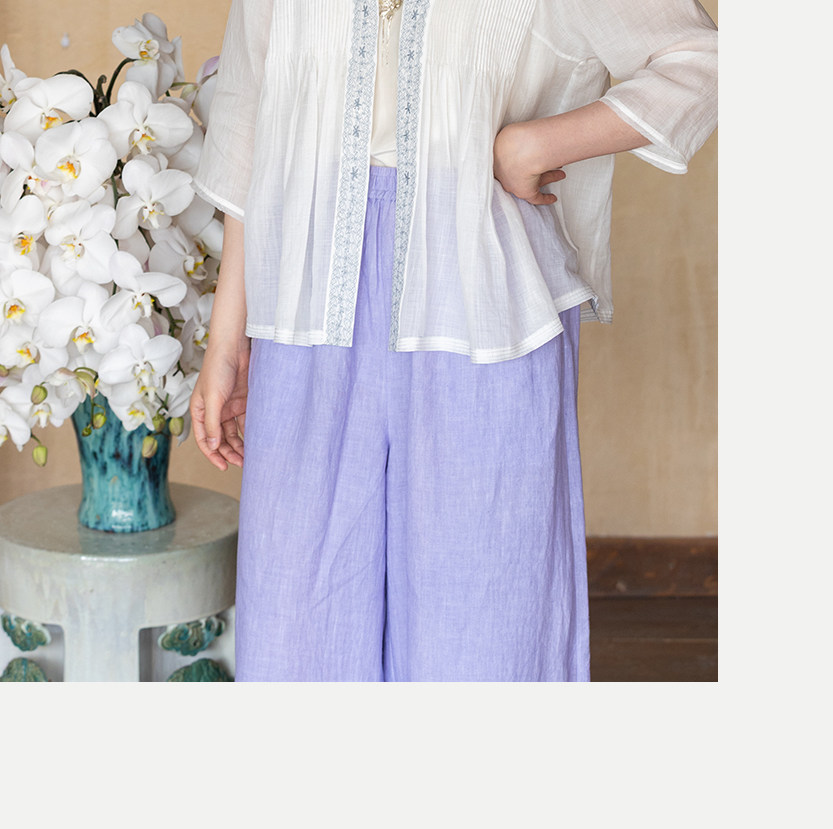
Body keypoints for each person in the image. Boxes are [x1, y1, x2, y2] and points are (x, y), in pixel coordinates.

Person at [188, 0, 717, 681]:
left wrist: (539, 144)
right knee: (297, 629)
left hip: (481, 310)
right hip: (305, 300)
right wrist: (226, 338)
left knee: (481, 637)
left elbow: (702, 59)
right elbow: (248, 115)